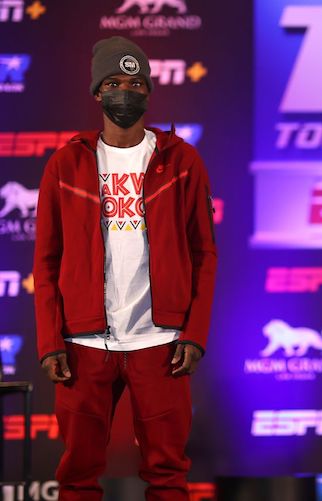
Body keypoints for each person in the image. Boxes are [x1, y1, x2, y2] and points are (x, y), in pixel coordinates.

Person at [33, 36, 217, 501]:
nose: (125, 93)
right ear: (97, 92)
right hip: (83, 344)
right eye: (114, 83)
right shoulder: (65, 164)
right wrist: (50, 341)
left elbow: (205, 255)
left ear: (149, 91)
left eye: (135, 83)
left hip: (160, 343)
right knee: (76, 476)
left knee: (168, 474)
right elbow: (46, 261)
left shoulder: (181, 162)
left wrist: (193, 333)